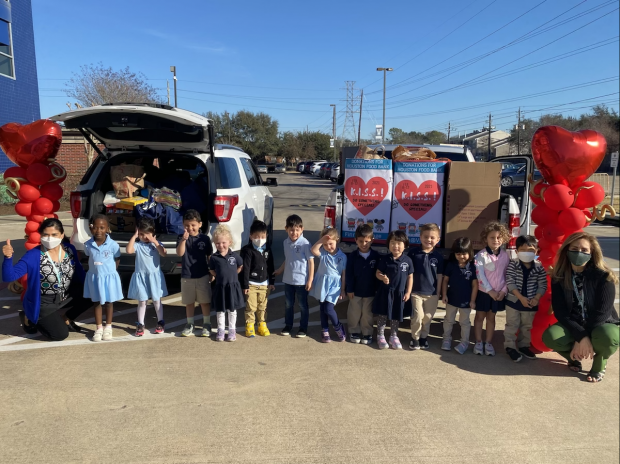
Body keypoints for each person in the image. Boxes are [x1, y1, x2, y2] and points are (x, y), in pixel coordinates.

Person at [543, 232, 619, 383]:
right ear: (567, 250)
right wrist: (579, 335)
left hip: (601, 324)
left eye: (584, 250)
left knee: (609, 337)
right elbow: (560, 311)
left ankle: (599, 365)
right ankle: (573, 357)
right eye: (575, 248)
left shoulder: (604, 276)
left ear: (592, 253)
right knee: (550, 337)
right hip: (575, 322)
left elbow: (602, 312)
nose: (579, 252)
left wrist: (582, 338)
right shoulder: (559, 276)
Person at [2, 218, 91, 341]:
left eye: (54, 235)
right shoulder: (33, 255)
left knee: (94, 293)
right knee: (60, 335)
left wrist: (90, 286)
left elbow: (79, 271)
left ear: (62, 235)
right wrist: (8, 257)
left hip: (65, 295)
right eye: (45, 235)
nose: (50, 239)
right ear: (41, 235)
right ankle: (29, 316)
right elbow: (9, 277)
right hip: (44, 301)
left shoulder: (69, 249)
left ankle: (67, 317)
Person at [504, 235, 547, 362]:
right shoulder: (513, 264)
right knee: (512, 324)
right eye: (523, 250)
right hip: (514, 301)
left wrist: (537, 298)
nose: (527, 253)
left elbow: (542, 284)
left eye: (531, 250)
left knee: (526, 326)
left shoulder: (539, 267)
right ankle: (510, 346)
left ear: (536, 251)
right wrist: (520, 297)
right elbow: (510, 282)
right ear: (517, 251)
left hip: (531, 303)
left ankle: (523, 346)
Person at [83, 214, 124, 342]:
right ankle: (99, 328)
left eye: (102, 227)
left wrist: (110, 272)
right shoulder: (88, 245)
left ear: (107, 229)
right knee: (97, 302)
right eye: (95, 227)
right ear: (91, 228)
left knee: (109, 302)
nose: (98, 231)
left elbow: (117, 259)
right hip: (95, 278)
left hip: (108, 278)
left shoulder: (113, 245)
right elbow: (88, 256)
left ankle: (108, 327)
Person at [473, 221, 510, 356]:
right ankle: (478, 341)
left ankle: (488, 343)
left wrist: (503, 291)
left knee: (491, 318)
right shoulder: (480, 256)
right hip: (484, 293)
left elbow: (508, 275)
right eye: (492, 237)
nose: (496, 240)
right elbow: (480, 275)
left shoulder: (505, 256)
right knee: (479, 317)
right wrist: (490, 291)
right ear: (485, 239)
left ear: (503, 239)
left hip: (499, 294)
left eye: (499, 237)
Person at [274, 214, 314, 338]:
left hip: (301, 281)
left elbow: (311, 262)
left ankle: (303, 328)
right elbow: (288, 259)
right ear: (286, 229)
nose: (294, 233)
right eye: (291, 230)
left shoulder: (305, 244)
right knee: (288, 304)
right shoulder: (285, 242)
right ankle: (288, 325)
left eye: (297, 230)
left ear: (302, 229)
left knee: (302, 305)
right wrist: (280, 270)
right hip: (288, 280)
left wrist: (310, 280)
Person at [126, 217, 168, 337]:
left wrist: (154, 241)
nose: (145, 237)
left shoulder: (156, 244)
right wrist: (134, 237)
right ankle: (140, 324)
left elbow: (163, 253)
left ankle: (160, 322)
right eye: (142, 234)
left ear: (153, 232)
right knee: (142, 301)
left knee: (156, 300)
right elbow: (129, 250)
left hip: (154, 277)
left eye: (147, 234)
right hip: (142, 277)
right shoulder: (138, 245)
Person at [373, 230, 413, 350]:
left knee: (396, 315)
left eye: (399, 243)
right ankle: (380, 335)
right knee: (382, 315)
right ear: (388, 244)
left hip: (399, 293)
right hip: (386, 292)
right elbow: (377, 273)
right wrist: (382, 277)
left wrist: (408, 292)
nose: (395, 246)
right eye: (392, 243)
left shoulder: (408, 261)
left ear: (405, 245)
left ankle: (393, 336)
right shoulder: (385, 259)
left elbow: (410, 276)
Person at [176, 209, 213, 337]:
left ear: (200, 224)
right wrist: (183, 240)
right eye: (187, 225)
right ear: (183, 225)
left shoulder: (205, 238)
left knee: (204, 301)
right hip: (187, 276)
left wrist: (212, 272)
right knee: (189, 302)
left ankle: (207, 323)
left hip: (202, 274)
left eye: (193, 225)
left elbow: (209, 256)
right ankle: (189, 323)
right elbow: (180, 253)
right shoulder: (181, 238)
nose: (190, 228)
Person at [408, 223, 444, 350]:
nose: (429, 240)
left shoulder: (439, 257)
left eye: (432, 237)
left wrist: (438, 293)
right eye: (426, 237)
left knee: (428, 317)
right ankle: (415, 338)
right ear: (420, 237)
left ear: (438, 240)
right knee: (417, 316)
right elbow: (409, 274)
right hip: (416, 291)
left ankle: (424, 337)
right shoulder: (413, 253)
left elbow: (440, 276)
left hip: (432, 293)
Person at [441, 237, 478, 354]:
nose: (461, 256)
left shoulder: (473, 267)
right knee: (448, 320)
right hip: (451, 299)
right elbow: (445, 281)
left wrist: (472, 300)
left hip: (466, 302)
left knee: (465, 323)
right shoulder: (451, 265)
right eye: (458, 254)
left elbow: (475, 285)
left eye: (464, 254)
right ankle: (446, 339)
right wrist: (444, 295)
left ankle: (464, 342)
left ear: (470, 253)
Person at [310, 228, 347, 343]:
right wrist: (321, 240)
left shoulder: (343, 257)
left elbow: (344, 275)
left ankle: (338, 326)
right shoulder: (323, 253)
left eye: (330, 243)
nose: (328, 246)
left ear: (337, 240)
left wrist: (343, 290)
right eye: (325, 244)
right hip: (322, 284)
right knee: (322, 308)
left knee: (328, 308)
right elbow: (313, 250)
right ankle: (324, 330)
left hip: (335, 286)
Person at [240, 220, 275, 338]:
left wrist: (272, 281)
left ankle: (262, 324)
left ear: (266, 236)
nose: (260, 239)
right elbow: (245, 269)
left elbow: (271, 266)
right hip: (251, 284)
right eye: (256, 237)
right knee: (251, 306)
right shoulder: (248, 251)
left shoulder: (267, 250)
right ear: (250, 236)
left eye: (262, 236)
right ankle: (250, 325)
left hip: (264, 284)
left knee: (262, 306)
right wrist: (245, 285)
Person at [345, 224, 379, 345]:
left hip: (370, 291)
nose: (364, 244)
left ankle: (367, 333)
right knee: (354, 312)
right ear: (355, 240)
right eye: (360, 241)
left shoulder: (376, 256)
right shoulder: (353, 256)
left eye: (367, 241)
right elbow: (349, 274)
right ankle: (353, 331)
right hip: (355, 291)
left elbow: (378, 275)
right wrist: (349, 289)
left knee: (367, 314)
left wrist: (377, 289)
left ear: (372, 241)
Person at [209, 225, 244, 342]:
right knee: (220, 310)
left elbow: (240, 266)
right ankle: (220, 330)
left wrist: (234, 274)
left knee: (232, 310)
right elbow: (212, 270)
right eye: (217, 243)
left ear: (230, 242)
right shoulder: (214, 258)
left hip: (232, 287)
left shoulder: (234, 256)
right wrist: (217, 276)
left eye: (223, 242)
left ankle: (232, 330)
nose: (221, 245)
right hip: (220, 287)